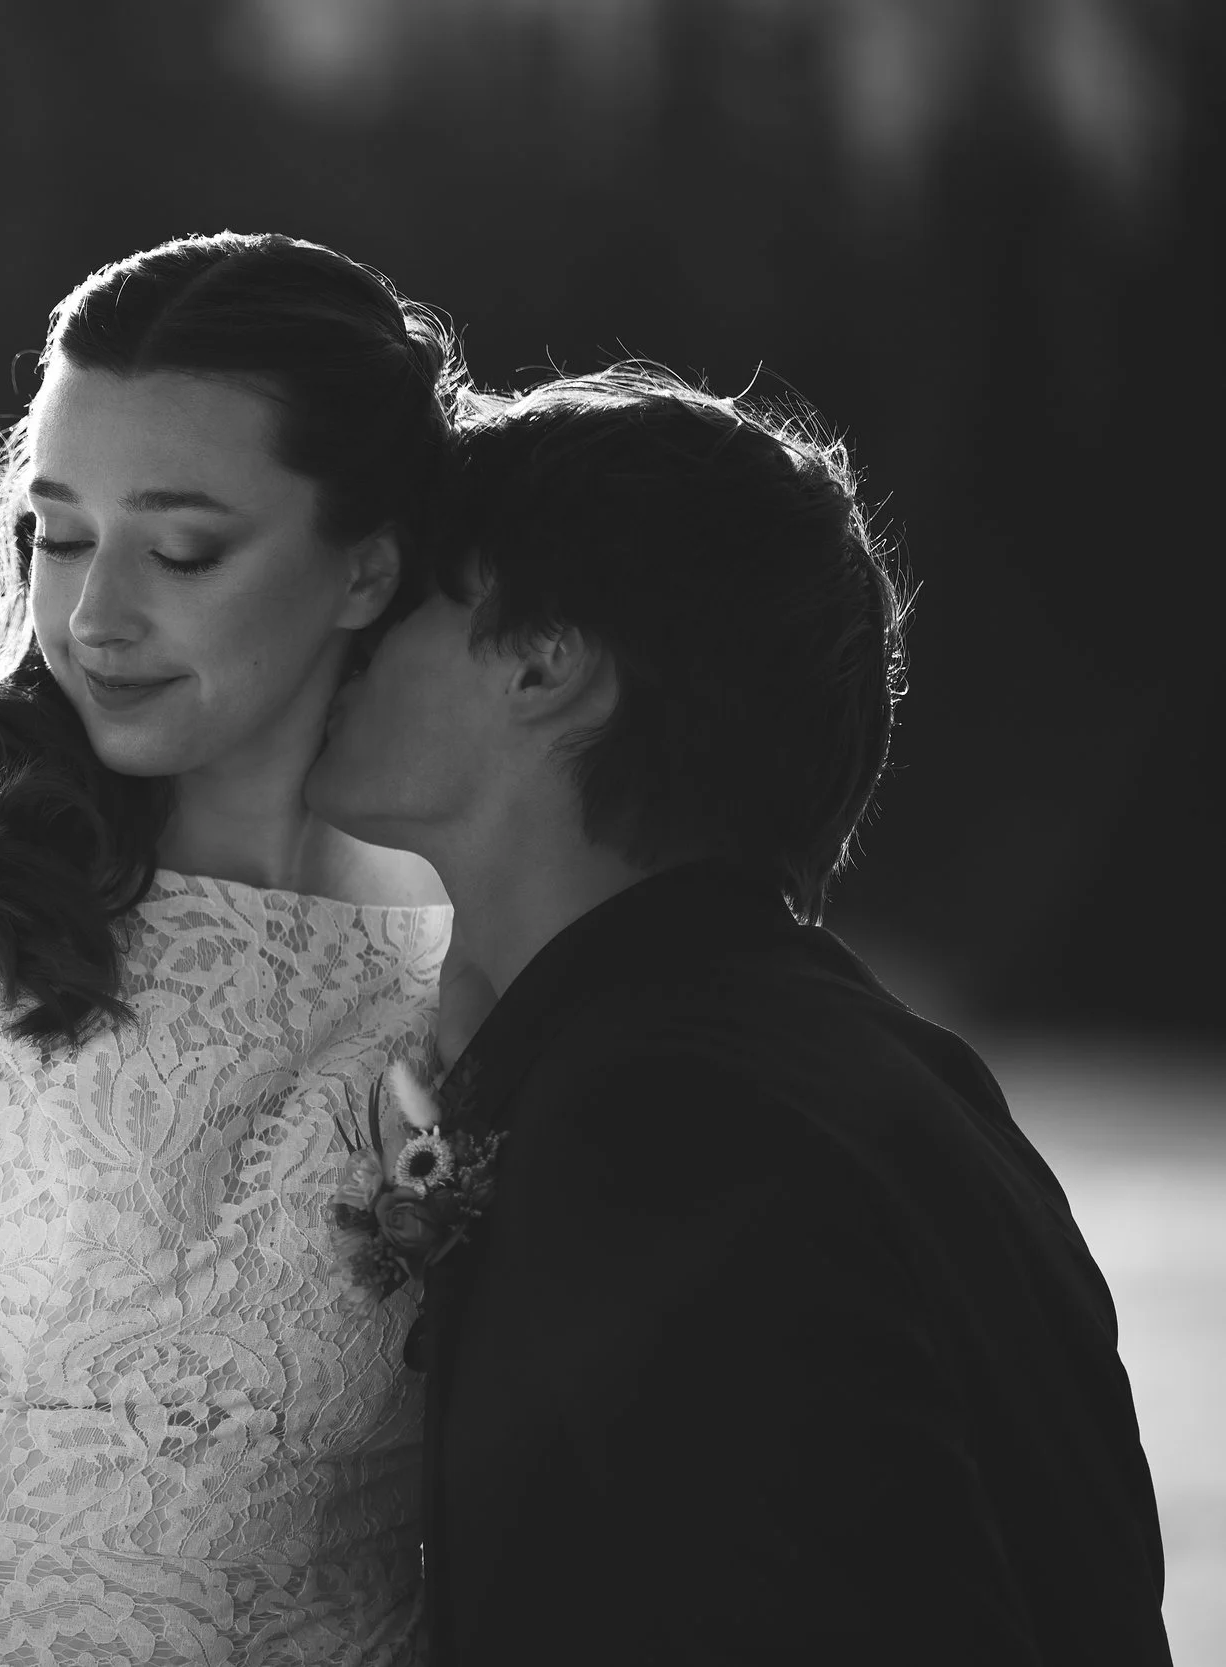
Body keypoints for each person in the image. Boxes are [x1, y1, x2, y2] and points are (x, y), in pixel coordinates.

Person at [306, 367, 1173, 1664]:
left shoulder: (666, 1126)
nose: (346, 635)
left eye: (411, 594)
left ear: (546, 664)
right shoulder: (898, 1074)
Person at [0, 232, 463, 1665]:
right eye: (57, 531)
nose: (96, 615)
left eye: (183, 549)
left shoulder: (471, 939)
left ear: (365, 568)